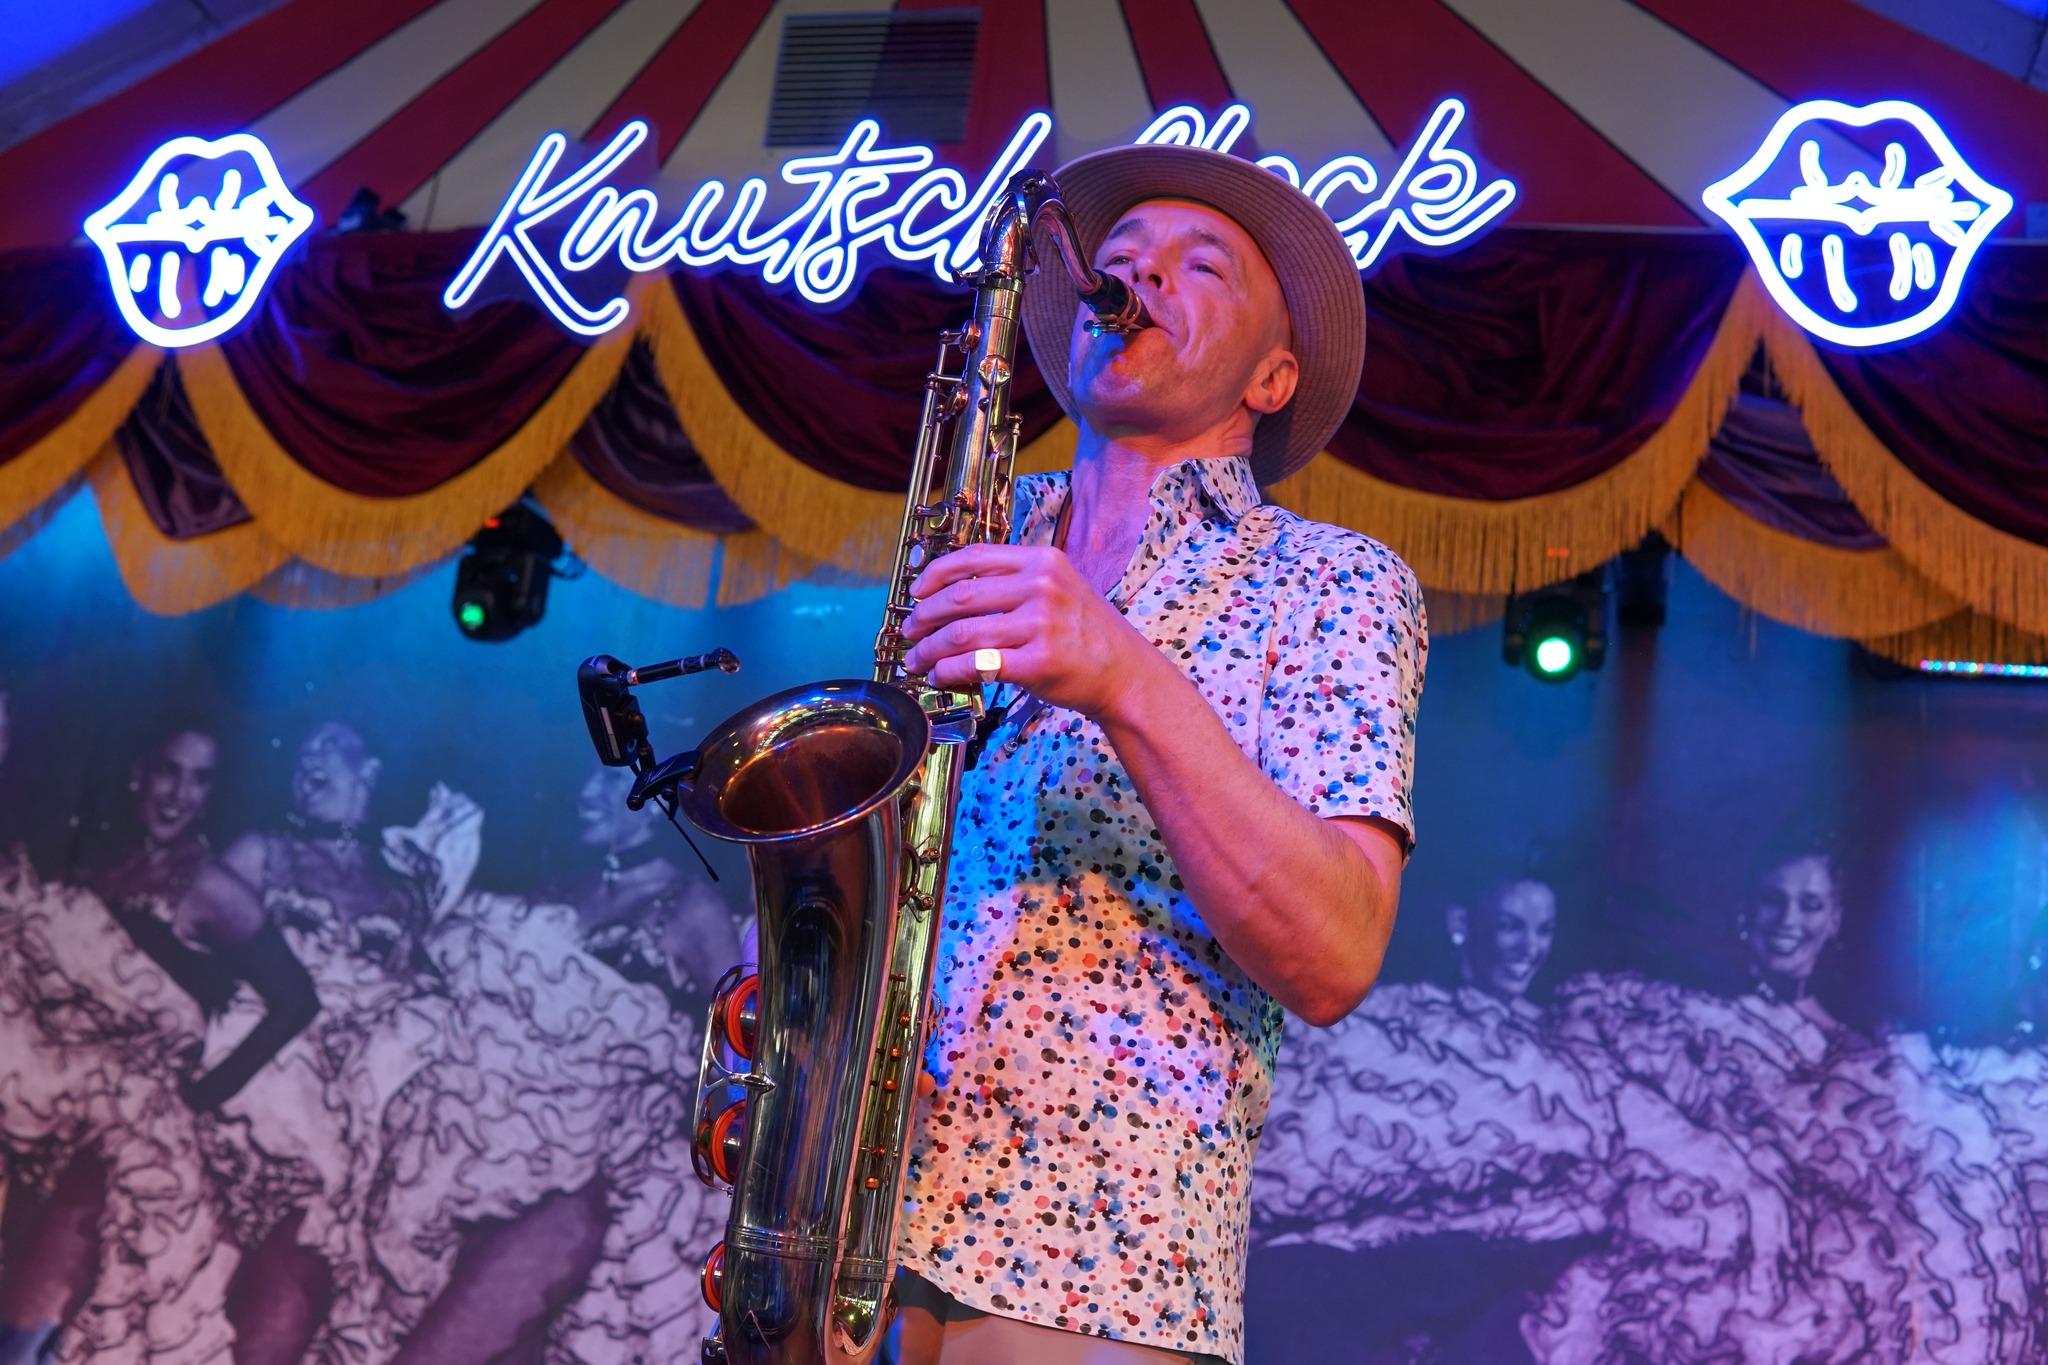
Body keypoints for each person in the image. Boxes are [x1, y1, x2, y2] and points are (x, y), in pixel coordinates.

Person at [889, 143, 1424, 1363]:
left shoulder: (1333, 583)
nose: (1129, 280)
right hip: (856, 1236)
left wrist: (1123, 673)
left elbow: (1334, 954)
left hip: (1095, 1275)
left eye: (1199, 267)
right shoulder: (971, 541)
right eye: (1116, 261)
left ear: (1274, 376)